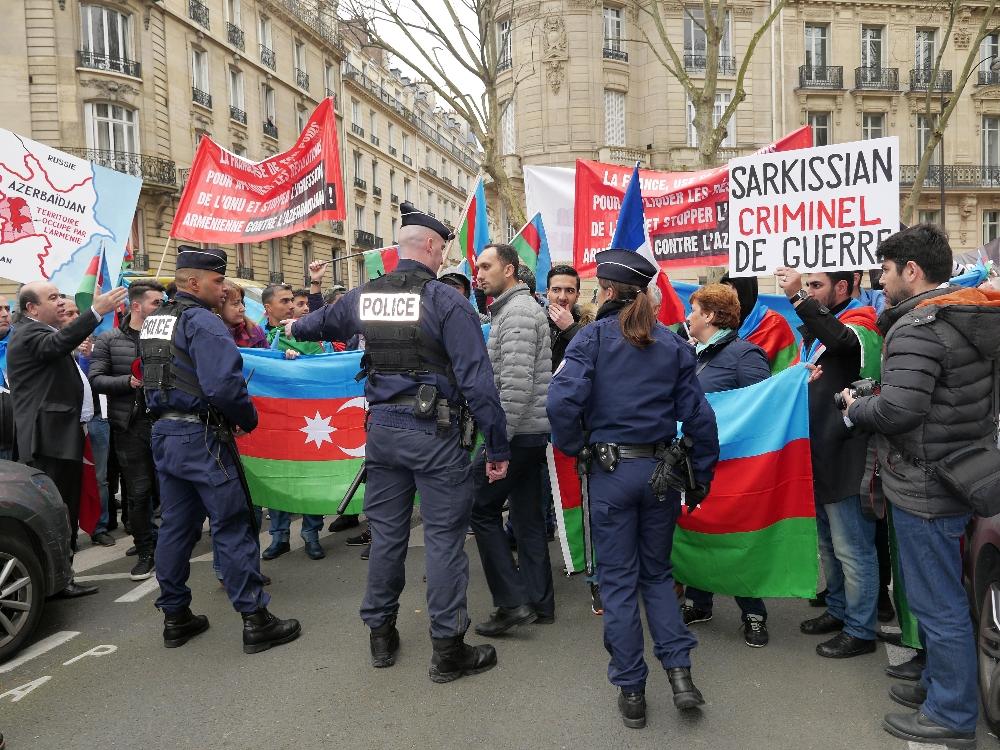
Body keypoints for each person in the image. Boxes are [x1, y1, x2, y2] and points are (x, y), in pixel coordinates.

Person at [287, 201, 510, 683]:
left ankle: (381, 635)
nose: (445, 255)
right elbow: (478, 382)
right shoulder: (448, 301)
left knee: (387, 535)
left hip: (382, 434)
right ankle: (448, 651)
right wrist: (498, 447)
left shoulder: (365, 296)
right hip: (435, 433)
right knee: (445, 541)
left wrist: (295, 319)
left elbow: (311, 324)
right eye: (444, 248)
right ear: (429, 246)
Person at [547, 249, 719, 729]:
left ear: (605, 290)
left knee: (620, 585)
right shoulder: (672, 344)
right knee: (658, 577)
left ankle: (632, 691)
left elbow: (561, 402)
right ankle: (681, 677)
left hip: (611, 474)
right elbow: (700, 419)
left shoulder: (591, 339)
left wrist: (575, 445)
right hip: (660, 474)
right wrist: (700, 476)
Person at [845, 224, 998, 748]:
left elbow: (899, 410)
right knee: (947, 596)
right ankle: (939, 686)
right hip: (956, 470)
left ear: (912, 271)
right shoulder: (965, 313)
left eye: (886, 271)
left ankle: (951, 715)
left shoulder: (917, 327)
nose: (880, 281)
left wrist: (855, 407)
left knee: (938, 603)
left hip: (925, 481)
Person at [141, 245, 300, 654]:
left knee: (176, 527)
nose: (224, 290)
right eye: (216, 282)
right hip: (203, 440)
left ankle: (175, 616)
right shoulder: (203, 323)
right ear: (193, 282)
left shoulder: (154, 321)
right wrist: (248, 419)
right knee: (232, 524)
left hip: (164, 434)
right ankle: (255, 619)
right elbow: (224, 386)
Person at [776, 267, 883, 659]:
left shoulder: (860, 324)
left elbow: (840, 341)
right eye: (806, 286)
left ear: (842, 286)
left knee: (853, 548)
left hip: (848, 456)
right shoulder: (818, 332)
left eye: (815, 285)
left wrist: (796, 300)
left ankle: (861, 629)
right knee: (828, 545)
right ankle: (838, 610)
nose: (808, 291)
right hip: (818, 455)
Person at [7, 280, 127, 597]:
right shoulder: (30, 334)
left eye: (61, 295)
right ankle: (59, 581)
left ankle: (62, 577)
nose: (61, 302)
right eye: (53, 298)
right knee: (57, 511)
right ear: (31, 308)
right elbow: (56, 345)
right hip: (49, 441)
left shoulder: (40, 332)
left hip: (60, 436)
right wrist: (95, 312)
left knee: (65, 508)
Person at [680, 284, 771, 647]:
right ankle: (699, 602)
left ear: (711, 317)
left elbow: (762, 408)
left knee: (736, 539)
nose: (688, 317)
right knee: (699, 532)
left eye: (694, 310)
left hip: (733, 467)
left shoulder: (745, 355)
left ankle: (753, 612)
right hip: (695, 462)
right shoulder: (689, 355)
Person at [472, 243, 554, 634]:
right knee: (527, 519)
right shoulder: (514, 310)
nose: (479, 273)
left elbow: (515, 389)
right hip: (528, 435)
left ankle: (511, 603)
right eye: (477, 266)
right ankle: (539, 603)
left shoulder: (518, 313)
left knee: (480, 509)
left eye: (486, 266)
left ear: (509, 270)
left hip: (517, 435)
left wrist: (496, 446)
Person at [89, 280, 166, 580]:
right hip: (129, 426)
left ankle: (170, 543)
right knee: (138, 491)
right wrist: (128, 382)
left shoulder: (167, 337)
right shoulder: (108, 339)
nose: (162, 306)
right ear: (136, 306)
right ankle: (145, 549)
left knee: (171, 489)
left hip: (165, 422)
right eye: (156, 302)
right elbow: (96, 379)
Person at [259, 281, 325, 561]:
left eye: (291, 301)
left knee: (310, 476)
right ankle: (279, 536)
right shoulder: (254, 336)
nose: (290, 306)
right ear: (268, 308)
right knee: (277, 475)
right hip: (273, 420)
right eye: (284, 301)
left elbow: (323, 369)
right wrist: (275, 360)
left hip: (307, 420)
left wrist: (300, 365)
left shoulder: (306, 334)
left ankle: (311, 534)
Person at [61, 300, 115, 546]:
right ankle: (67, 535)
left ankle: (98, 526)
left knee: (99, 477)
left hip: (96, 418)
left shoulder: (94, 346)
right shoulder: (55, 346)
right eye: (68, 313)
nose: (73, 317)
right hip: (68, 424)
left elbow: (98, 379)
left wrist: (88, 356)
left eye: (76, 313)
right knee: (68, 480)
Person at [720, 274, 797, 373]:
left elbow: (788, 370)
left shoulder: (774, 322)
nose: (727, 294)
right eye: (724, 288)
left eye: (734, 288)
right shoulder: (717, 321)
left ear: (745, 291)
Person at [546, 265, 584, 369]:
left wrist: (571, 329)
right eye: (556, 290)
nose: (562, 297)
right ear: (547, 293)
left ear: (577, 296)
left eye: (569, 291)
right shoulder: (534, 322)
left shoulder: (590, 326)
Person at [0, 294, 14, 461]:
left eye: (7, 309)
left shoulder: (25, 343)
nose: (5, 314)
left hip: (18, 441)